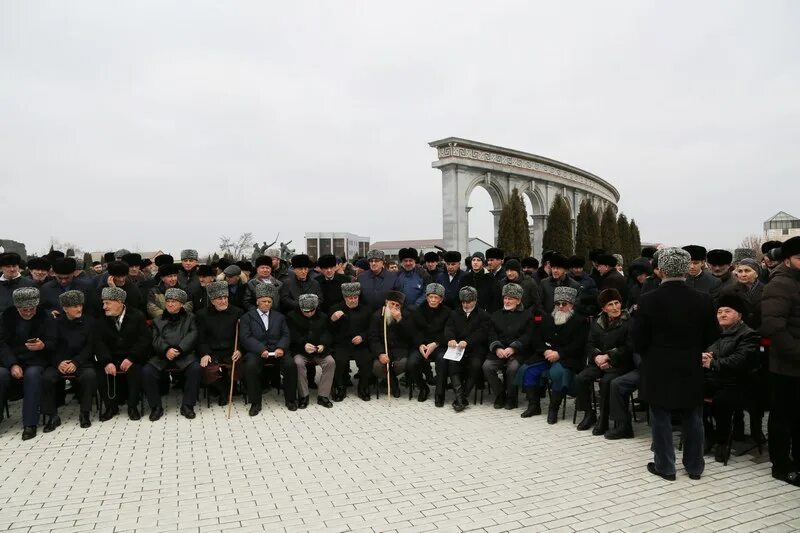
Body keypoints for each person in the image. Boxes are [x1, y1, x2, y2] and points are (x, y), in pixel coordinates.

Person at [634, 247, 719, 481]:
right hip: (690, 364)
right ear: (686, 270)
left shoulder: (648, 300)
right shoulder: (703, 299)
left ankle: (666, 466)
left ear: (660, 270)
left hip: (658, 365)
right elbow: (712, 335)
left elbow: (637, 339)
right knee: (693, 416)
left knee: (660, 416)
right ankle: (694, 466)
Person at [761, 236, 800, 486]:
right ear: (787, 260)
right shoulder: (781, 284)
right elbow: (773, 326)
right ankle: (781, 465)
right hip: (787, 366)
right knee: (783, 417)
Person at [702, 293, 760, 463]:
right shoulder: (720, 332)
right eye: (719, 312)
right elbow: (711, 351)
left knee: (721, 402)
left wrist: (712, 363)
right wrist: (704, 357)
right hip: (717, 380)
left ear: (739, 315)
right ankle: (708, 434)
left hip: (740, 383)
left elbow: (739, 361)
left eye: (727, 311)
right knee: (691, 393)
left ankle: (722, 441)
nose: (722, 315)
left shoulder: (748, 335)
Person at [574, 289, 633, 436]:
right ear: (603, 308)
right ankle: (589, 413)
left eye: (617, 303)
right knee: (580, 378)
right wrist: (597, 357)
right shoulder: (597, 322)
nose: (615, 307)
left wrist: (608, 357)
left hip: (620, 364)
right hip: (598, 362)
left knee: (606, 382)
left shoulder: (629, 322)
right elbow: (589, 344)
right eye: (610, 304)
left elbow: (629, 347)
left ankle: (604, 419)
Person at [0, 287, 57, 440]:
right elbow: (2, 344)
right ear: (17, 307)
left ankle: (30, 424)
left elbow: (54, 341)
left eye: (32, 309)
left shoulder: (45, 316)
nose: (28, 312)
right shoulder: (6, 316)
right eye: (24, 310)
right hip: (12, 359)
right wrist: (12, 364)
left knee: (32, 375)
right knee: (1, 375)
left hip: (36, 359)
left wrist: (43, 345)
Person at [143, 287, 201, 421]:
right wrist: (166, 350)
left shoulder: (190, 317)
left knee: (195, 369)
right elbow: (155, 338)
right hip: (162, 355)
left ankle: (187, 405)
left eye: (174, 301)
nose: (170, 304)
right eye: (168, 301)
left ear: (181, 304)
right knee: (147, 371)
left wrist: (180, 349)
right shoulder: (158, 319)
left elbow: (193, 334)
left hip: (184, 353)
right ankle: (156, 407)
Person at [93, 287, 150, 421]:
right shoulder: (101, 319)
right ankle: (110, 407)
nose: (104, 307)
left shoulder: (137, 315)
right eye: (103, 303)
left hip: (132, 356)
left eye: (107, 303)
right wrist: (107, 361)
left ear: (119, 302)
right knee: (101, 372)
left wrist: (131, 358)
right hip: (111, 357)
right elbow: (98, 343)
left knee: (135, 370)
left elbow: (144, 339)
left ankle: (132, 406)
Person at [239, 283, 297, 414]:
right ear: (257, 301)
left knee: (290, 364)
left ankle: (291, 400)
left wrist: (281, 348)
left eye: (269, 301)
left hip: (277, 351)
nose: (266, 304)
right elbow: (245, 337)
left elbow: (286, 334)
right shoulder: (247, 317)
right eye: (264, 301)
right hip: (257, 352)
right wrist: (261, 350)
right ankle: (255, 402)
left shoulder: (280, 317)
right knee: (250, 366)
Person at [45, 290, 98, 429]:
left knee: (89, 375)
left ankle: (84, 413)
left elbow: (90, 346)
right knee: (46, 377)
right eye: (74, 306)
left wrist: (76, 362)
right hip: (60, 362)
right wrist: (58, 363)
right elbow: (51, 346)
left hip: (82, 361)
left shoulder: (90, 321)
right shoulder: (55, 323)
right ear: (65, 308)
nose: (79, 308)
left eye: (80, 305)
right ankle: (52, 416)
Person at [540, 286, 589, 424]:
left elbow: (579, 345)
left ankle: (553, 408)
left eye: (564, 304)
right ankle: (534, 405)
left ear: (571, 305)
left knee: (560, 372)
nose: (560, 307)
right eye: (557, 304)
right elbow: (538, 338)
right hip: (548, 356)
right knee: (528, 368)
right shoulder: (549, 318)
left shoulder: (580, 321)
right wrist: (546, 350)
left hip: (571, 358)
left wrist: (559, 354)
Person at [483, 283, 531, 410]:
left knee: (513, 368)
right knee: (487, 367)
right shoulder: (496, 315)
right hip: (498, 351)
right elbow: (491, 335)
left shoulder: (527, 315)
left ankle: (512, 397)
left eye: (511, 298)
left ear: (518, 300)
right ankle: (500, 394)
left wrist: (513, 348)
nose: (507, 301)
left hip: (518, 352)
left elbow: (528, 336)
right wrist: (497, 348)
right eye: (505, 298)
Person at [195, 281, 243, 406]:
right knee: (206, 369)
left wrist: (239, 349)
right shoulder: (202, 315)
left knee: (241, 365)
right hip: (212, 352)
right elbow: (201, 338)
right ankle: (223, 391)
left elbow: (242, 336)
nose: (223, 301)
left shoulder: (237, 312)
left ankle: (226, 390)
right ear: (212, 301)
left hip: (231, 351)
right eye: (219, 299)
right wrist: (205, 353)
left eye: (225, 298)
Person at [443, 286, 490, 412]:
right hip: (458, 348)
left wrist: (468, 341)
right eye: (463, 302)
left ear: (475, 300)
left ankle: (463, 396)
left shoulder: (483, 315)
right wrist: (451, 339)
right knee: (452, 363)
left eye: (468, 302)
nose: (465, 304)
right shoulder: (454, 313)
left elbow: (483, 333)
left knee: (475, 365)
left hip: (476, 349)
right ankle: (460, 398)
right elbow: (449, 328)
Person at [287, 294, 335, 409]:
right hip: (300, 350)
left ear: (316, 307)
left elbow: (328, 333)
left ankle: (323, 396)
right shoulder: (291, 316)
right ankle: (304, 396)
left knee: (330, 362)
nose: (308, 313)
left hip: (319, 350)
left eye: (311, 311)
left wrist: (323, 344)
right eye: (305, 311)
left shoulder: (323, 316)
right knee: (298, 363)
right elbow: (292, 335)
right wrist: (303, 344)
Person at [407, 283, 451, 406]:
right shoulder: (418, 310)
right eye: (430, 297)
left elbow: (448, 332)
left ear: (441, 299)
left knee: (442, 361)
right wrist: (420, 344)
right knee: (411, 363)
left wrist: (436, 343)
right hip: (422, 345)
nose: (433, 300)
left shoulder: (448, 312)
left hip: (439, 345)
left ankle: (439, 393)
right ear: (426, 297)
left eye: (436, 297)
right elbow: (413, 331)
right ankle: (423, 388)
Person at [329, 282, 373, 401]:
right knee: (339, 360)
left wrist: (362, 337)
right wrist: (332, 320)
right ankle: (340, 386)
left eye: (355, 297)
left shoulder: (366, 310)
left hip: (360, 344)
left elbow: (372, 329)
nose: (353, 300)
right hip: (342, 344)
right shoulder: (335, 309)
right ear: (344, 298)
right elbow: (328, 331)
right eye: (350, 298)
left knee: (366, 360)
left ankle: (363, 386)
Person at [368, 290, 411, 397]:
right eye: (392, 303)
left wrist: (399, 320)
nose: (394, 307)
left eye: (397, 305)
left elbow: (409, 335)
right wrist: (380, 353)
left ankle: (389, 381)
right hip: (382, 349)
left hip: (398, 350)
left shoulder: (405, 315)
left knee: (403, 363)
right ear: (386, 302)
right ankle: (393, 382)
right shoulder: (376, 315)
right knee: (378, 366)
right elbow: (373, 338)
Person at [0, 252, 36, 317]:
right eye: (8, 266)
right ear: (1, 268)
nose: (12, 269)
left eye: (14, 266)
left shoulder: (30, 285)